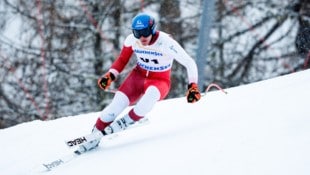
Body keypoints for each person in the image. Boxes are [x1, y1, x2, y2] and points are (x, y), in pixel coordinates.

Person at [78, 12, 201, 152]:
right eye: (137, 33)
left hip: (159, 80)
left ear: (153, 30)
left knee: (148, 99)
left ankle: (130, 119)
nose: (142, 37)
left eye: (145, 32)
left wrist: (193, 86)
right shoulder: (132, 40)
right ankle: (94, 137)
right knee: (112, 109)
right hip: (137, 77)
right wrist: (110, 75)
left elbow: (189, 62)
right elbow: (122, 59)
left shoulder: (166, 43)